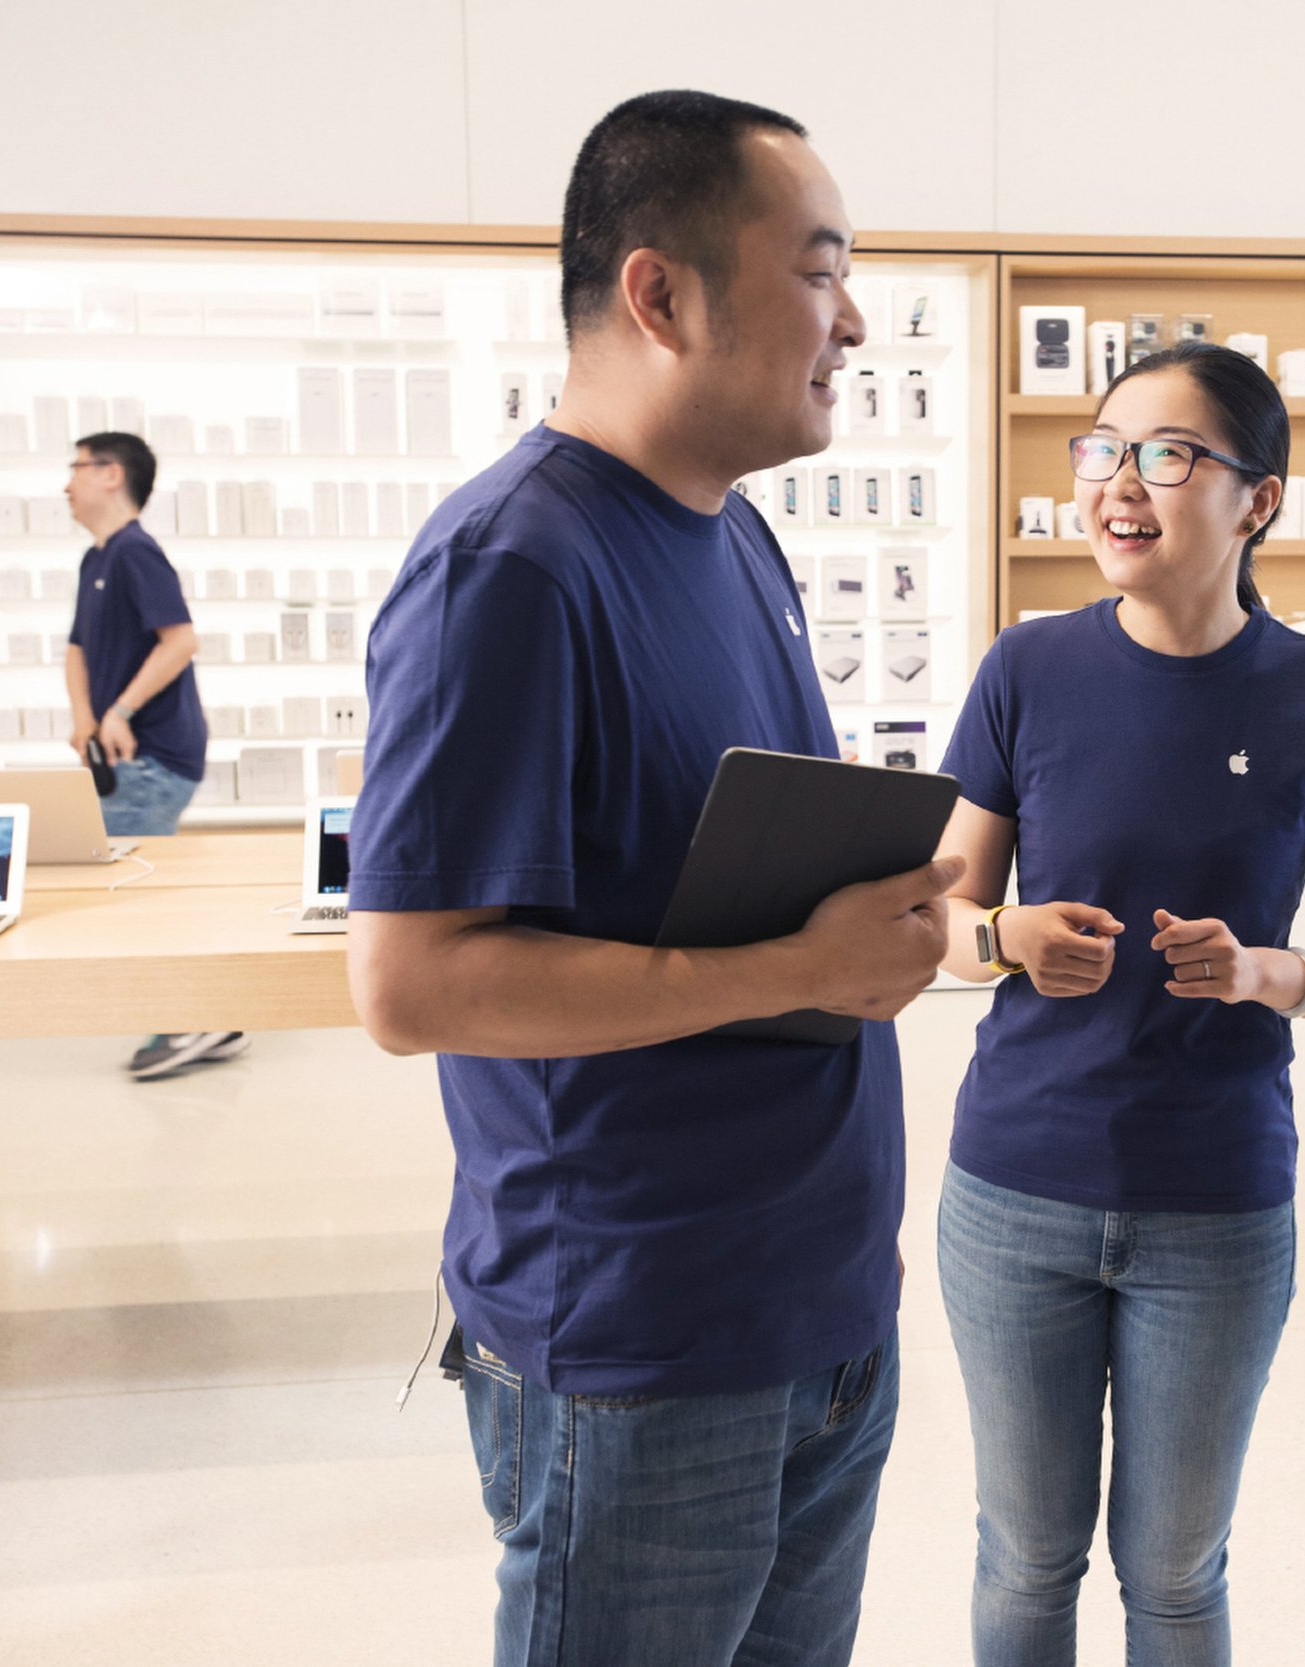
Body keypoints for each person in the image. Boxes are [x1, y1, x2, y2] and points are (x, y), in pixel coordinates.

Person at [341, 91, 960, 1667]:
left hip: (816, 1308)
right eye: (821, 270)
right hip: (639, 1349)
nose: (859, 320)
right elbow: (412, 985)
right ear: (660, 293)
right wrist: (805, 968)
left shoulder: (733, 536)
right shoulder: (513, 569)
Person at [931, 342, 1305, 1665]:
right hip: (1016, 1188)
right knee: (1026, 1555)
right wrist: (1011, 934)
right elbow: (940, 925)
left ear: (1257, 499)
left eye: (1165, 453)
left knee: (1176, 1571)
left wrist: (1271, 971)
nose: (1116, 483)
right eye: (1101, 449)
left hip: (1217, 1204)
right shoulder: (1026, 667)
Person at [61, 430, 243, 1081]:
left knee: (136, 894)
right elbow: (78, 647)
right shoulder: (97, 559)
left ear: (112, 475)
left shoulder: (137, 553)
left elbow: (180, 639)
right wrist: (84, 715)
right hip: (121, 755)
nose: (66, 482)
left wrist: (118, 711)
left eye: (77, 467)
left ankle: (194, 1016)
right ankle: (201, 1014)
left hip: (155, 752)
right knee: (138, 887)